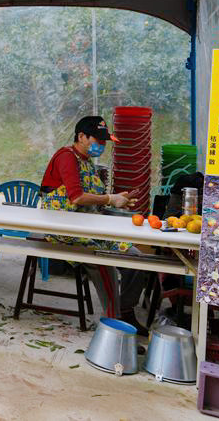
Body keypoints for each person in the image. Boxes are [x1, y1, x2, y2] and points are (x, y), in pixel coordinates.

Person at [40, 115, 149, 333]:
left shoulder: (87, 163)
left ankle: (126, 311)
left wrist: (120, 201)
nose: (101, 145)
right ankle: (114, 327)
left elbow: (93, 199)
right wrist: (111, 199)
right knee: (103, 261)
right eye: (97, 140)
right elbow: (76, 197)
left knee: (138, 259)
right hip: (63, 229)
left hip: (89, 226)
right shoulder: (66, 157)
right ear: (81, 136)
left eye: (103, 141)